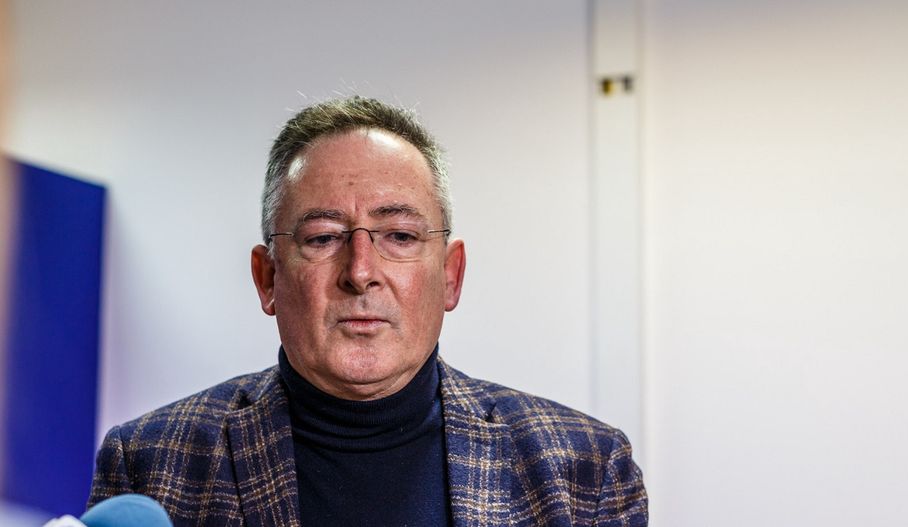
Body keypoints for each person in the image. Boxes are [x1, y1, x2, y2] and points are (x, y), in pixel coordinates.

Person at [87, 96, 648, 526]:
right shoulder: (151, 461)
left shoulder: (584, 470)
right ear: (267, 278)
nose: (360, 271)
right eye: (323, 237)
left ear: (450, 275)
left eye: (399, 235)